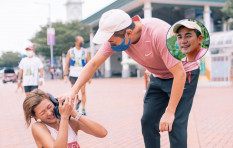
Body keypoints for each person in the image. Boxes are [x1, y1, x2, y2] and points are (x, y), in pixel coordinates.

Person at [59, 9, 200, 148]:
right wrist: (73, 90)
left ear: (129, 33)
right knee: (148, 121)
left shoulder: (159, 33)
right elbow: (94, 63)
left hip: (184, 74)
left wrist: (170, 112)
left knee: (174, 124)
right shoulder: (117, 36)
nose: (110, 45)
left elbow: (179, 73)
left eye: (112, 42)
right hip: (158, 76)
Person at [23, 89, 107, 148]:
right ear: (35, 116)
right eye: (43, 112)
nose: (49, 113)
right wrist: (64, 117)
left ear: (54, 102)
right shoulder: (38, 127)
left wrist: (74, 113)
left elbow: (102, 133)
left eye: (49, 107)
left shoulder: (70, 122)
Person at [64, 36, 91, 115]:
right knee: (74, 93)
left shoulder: (85, 52)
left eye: (83, 41)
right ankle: (78, 101)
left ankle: (83, 108)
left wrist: (89, 76)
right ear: (76, 42)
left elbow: (89, 64)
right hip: (73, 75)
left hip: (82, 75)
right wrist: (65, 75)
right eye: (80, 41)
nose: (82, 43)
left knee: (83, 92)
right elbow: (67, 64)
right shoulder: (71, 51)